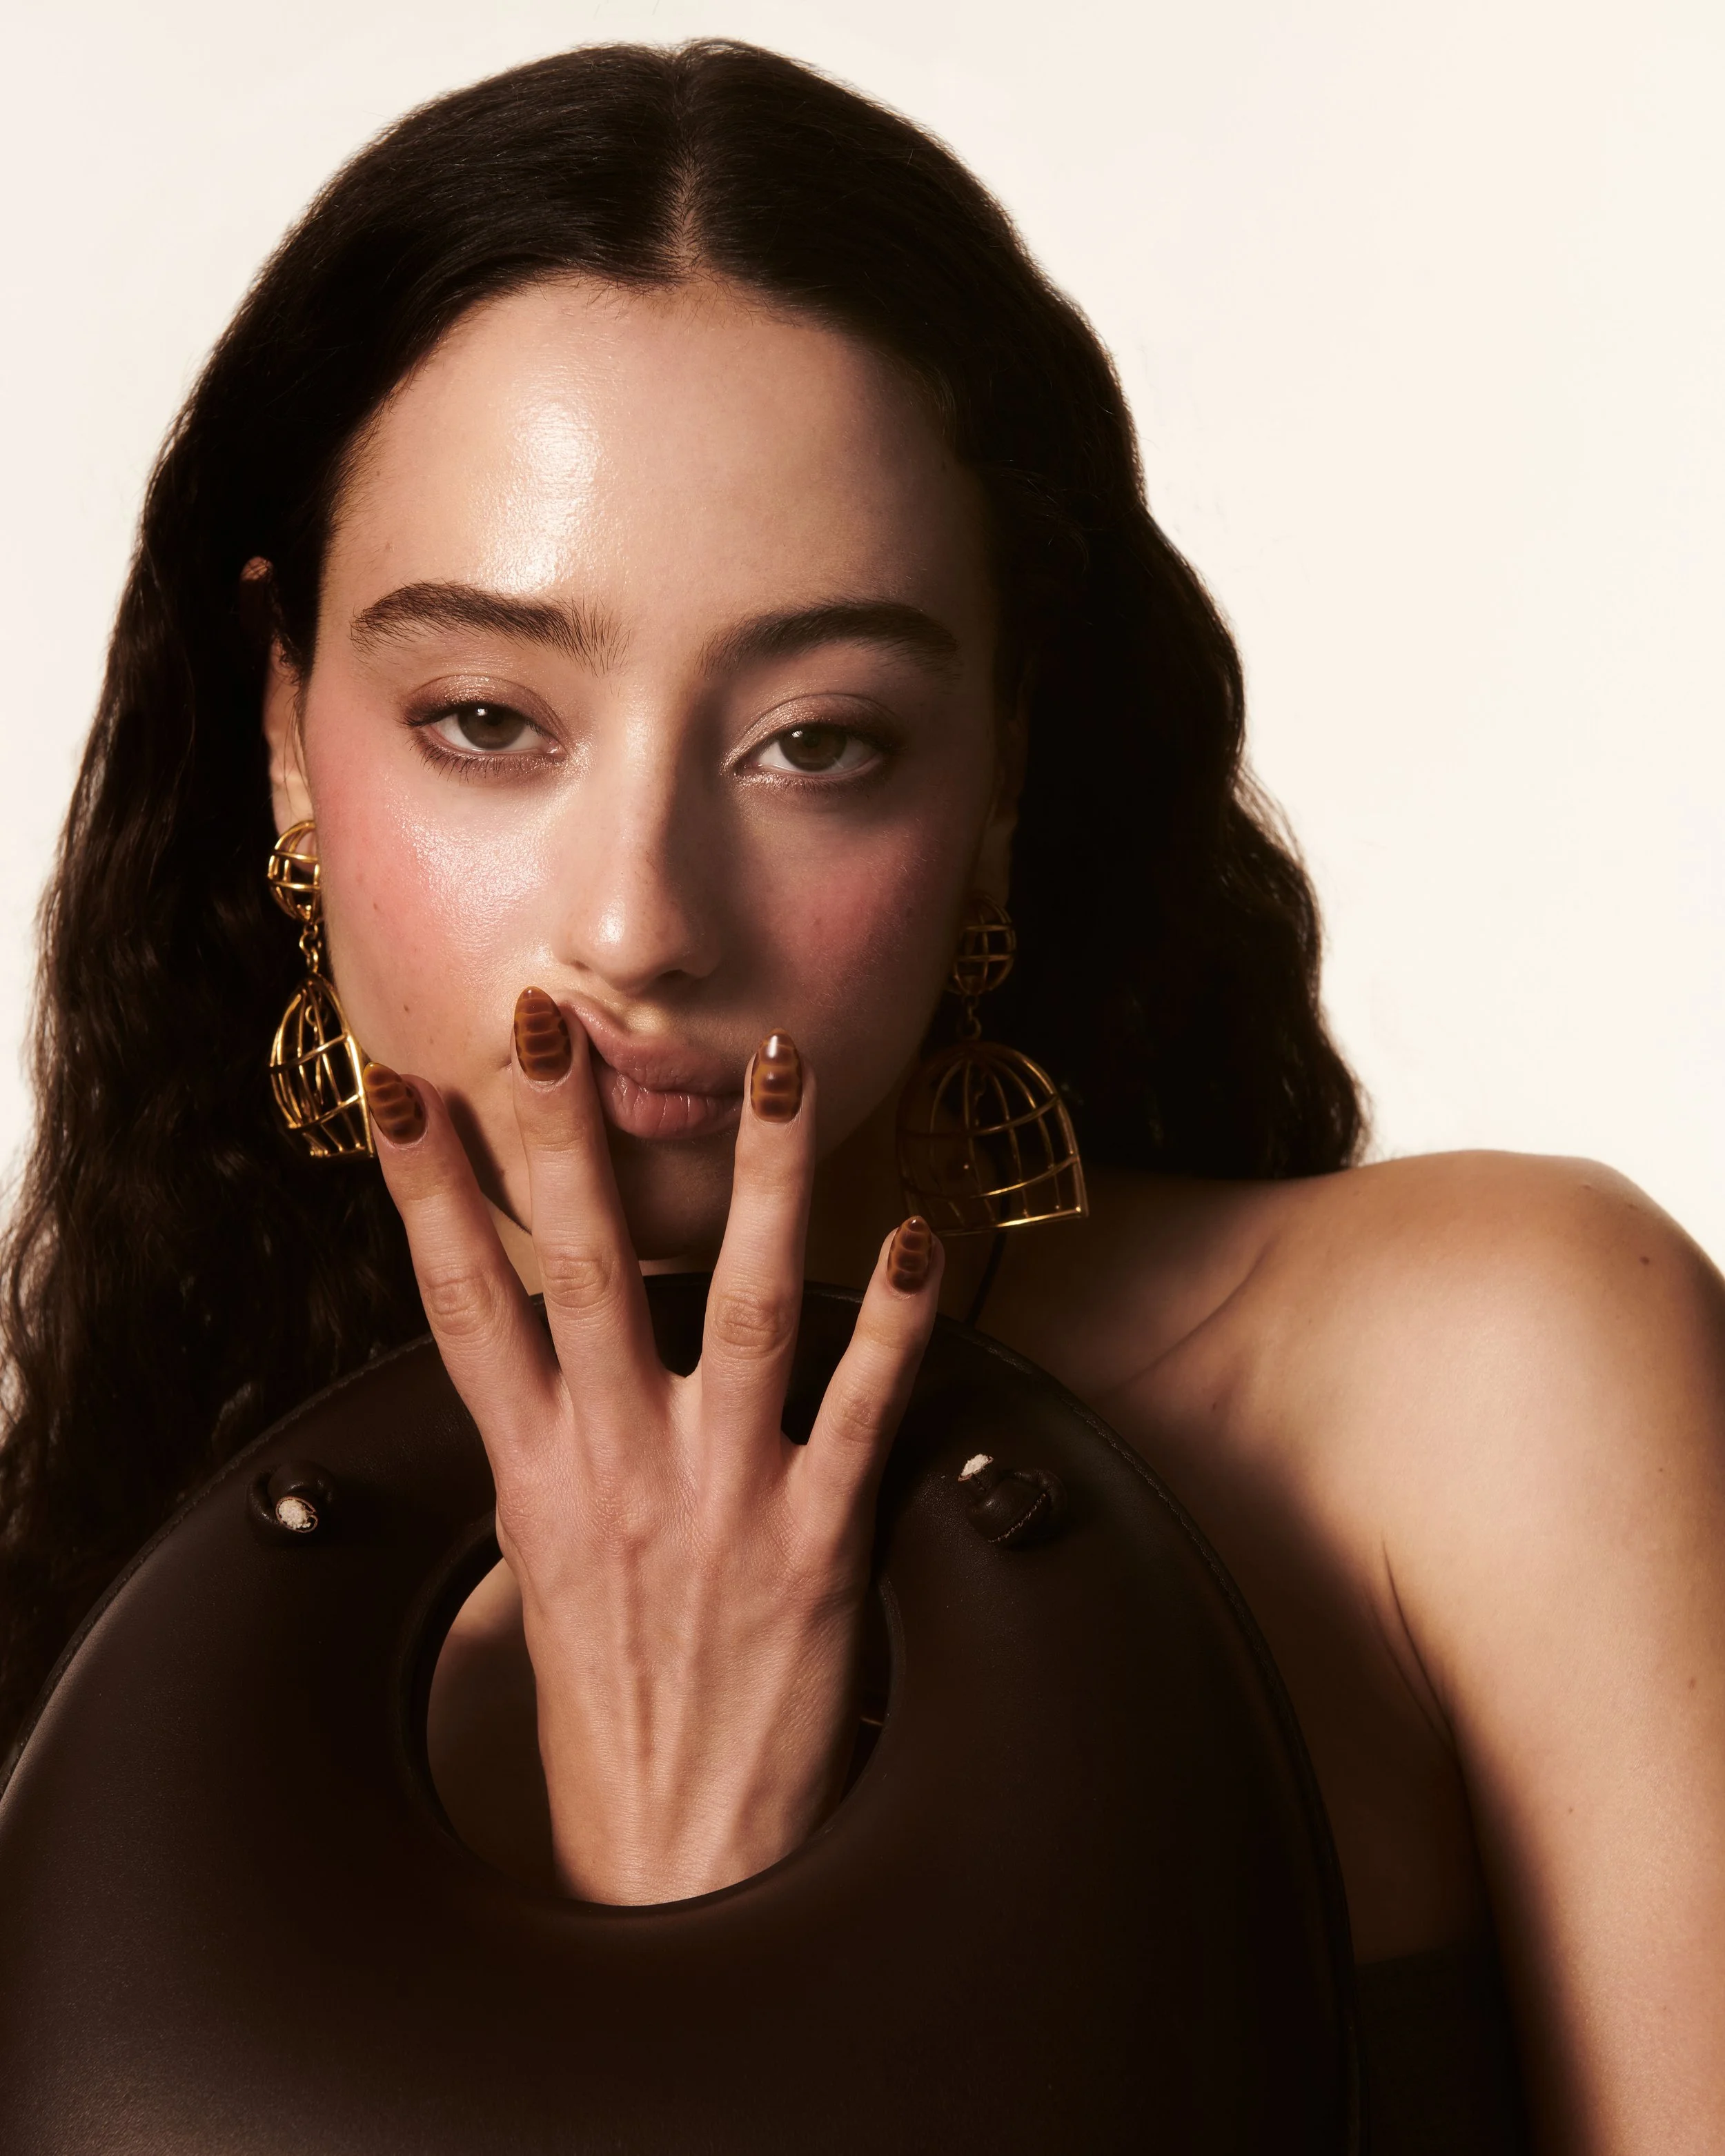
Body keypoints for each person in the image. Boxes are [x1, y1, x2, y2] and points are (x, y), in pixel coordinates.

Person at [0, 37, 1720, 2153]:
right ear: (285, 726)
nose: (636, 919)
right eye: (483, 719)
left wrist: (747, 1940)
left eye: (816, 741)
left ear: (999, 766)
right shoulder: (120, 1642)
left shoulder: (1475, 1389)